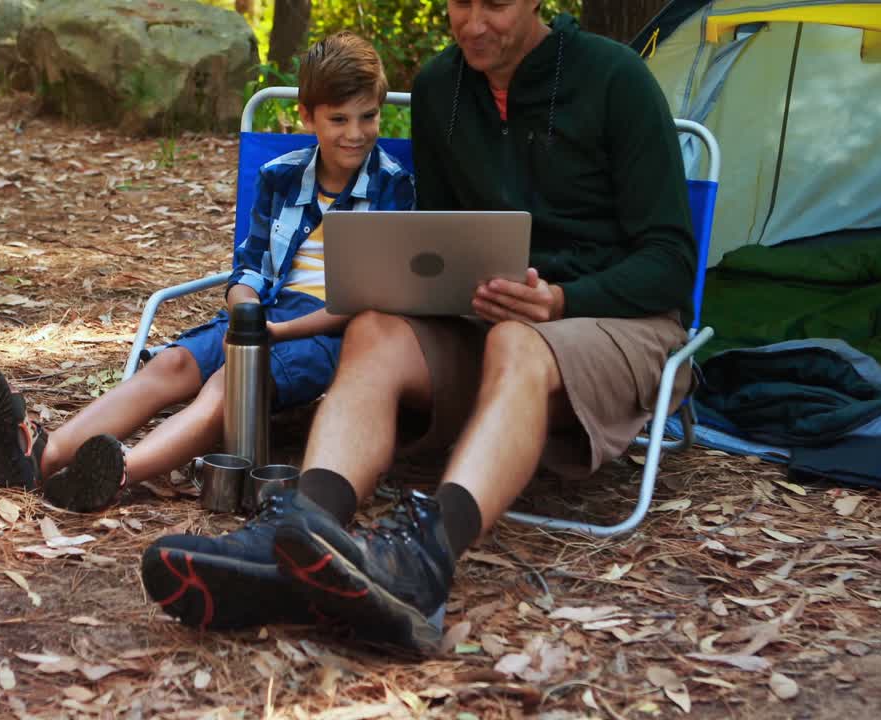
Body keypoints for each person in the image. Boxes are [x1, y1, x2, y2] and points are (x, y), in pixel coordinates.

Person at [141, 1, 696, 651]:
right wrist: (441, 289)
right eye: (460, 2)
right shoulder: (441, 89)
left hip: (613, 320)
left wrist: (564, 300)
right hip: (485, 319)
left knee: (521, 340)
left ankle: (424, 561)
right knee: (374, 326)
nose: (473, 23)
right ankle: (304, 534)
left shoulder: (616, 78)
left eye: (496, 3)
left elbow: (671, 262)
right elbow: (442, 240)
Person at [0, 32, 415, 518]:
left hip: (333, 332)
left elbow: (369, 300)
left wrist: (272, 332)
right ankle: (41, 456)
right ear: (307, 117)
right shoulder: (280, 176)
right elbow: (247, 270)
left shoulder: (394, 186)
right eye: (339, 119)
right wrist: (246, 315)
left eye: (368, 116)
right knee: (172, 365)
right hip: (264, 311)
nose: (356, 133)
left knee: (231, 382)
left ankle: (118, 473)